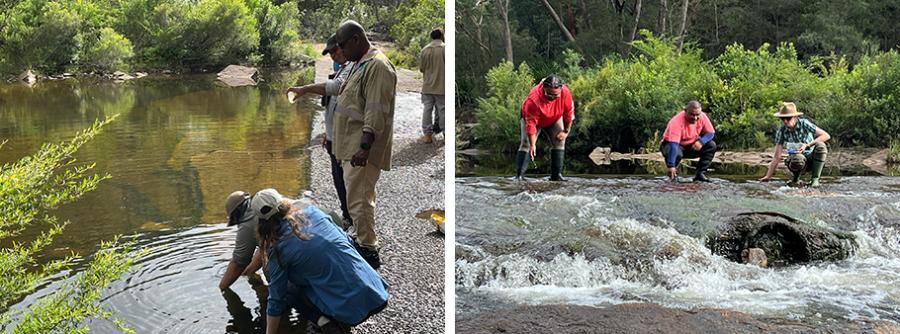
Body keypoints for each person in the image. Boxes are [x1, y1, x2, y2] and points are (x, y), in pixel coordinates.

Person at [253, 189, 389, 334]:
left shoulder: (278, 248)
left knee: (284, 286)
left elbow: (276, 299)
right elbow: (348, 241)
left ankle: (324, 320)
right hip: (377, 294)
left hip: (350, 313)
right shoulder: (314, 212)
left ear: (261, 221)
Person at [332, 20, 396, 269]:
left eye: (343, 45)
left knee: (360, 200)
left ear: (357, 40)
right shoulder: (359, 64)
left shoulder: (378, 66)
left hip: (361, 149)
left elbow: (375, 110)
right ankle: (361, 239)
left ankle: (369, 249)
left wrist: (365, 146)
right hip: (350, 146)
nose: (341, 51)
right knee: (356, 198)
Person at [286, 34, 355, 229]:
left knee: (347, 181)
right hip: (335, 137)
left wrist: (305, 89)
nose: (333, 55)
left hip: (345, 139)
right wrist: (328, 133)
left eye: (335, 51)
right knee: (338, 179)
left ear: (345, 47)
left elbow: (334, 88)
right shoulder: (343, 68)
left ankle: (355, 224)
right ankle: (348, 216)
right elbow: (333, 107)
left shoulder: (352, 68)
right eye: (330, 53)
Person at [515, 74, 574, 181]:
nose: (552, 97)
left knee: (559, 140)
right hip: (533, 119)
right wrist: (533, 145)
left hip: (554, 117)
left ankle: (556, 176)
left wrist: (566, 131)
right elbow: (531, 125)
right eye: (549, 94)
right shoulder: (533, 100)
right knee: (526, 143)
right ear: (543, 88)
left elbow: (569, 114)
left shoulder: (565, 93)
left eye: (555, 95)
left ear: (561, 89)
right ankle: (519, 176)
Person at [760, 102, 831, 187]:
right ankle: (796, 179)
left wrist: (808, 145)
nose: (785, 121)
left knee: (821, 146)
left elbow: (826, 135)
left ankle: (815, 180)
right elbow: (777, 157)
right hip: (796, 161)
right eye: (783, 119)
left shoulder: (804, 123)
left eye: (788, 118)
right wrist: (768, 176)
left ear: (795, 117)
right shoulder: (782, 131)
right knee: (798, 158)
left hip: (812, 159)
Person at [660, 101, 717, 182]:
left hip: (692, 146)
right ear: (685, 111)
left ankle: (700, 174)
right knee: (676, 153)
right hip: (672, 146)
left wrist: (701, 142)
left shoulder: (703, 116)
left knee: (711, 145)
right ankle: (672, 175)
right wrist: (671, 165)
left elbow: (710, 133)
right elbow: (674, 145)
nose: (695, 118)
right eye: (692, 115)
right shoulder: (676, 122)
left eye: (697, 115)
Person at [219, 191, 263, 290]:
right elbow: (263, 249)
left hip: (293, 254)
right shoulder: (263, 202)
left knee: (269, 269)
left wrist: (222, 287)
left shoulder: (248, 223)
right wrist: (248, 272)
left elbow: (238, 262)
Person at [418, 28, 445, 143]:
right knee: (443, 110)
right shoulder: (445, 49)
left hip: (427, 86)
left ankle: (428, 135)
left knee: (427, 110)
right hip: (442, 86)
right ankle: (446, 135)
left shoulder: (425, 50)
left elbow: (421, 69)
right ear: (442, 36)